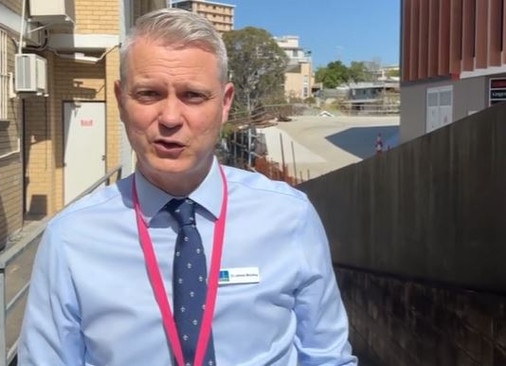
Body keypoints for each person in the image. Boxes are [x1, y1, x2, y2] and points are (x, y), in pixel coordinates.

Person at [18, 8, 357, 366]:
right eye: (148, 94)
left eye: (193, 96)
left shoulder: (291, 216)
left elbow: (327, 357)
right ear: (121, 100)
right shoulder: (70, 239)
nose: (169, 118)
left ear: (225, 103)